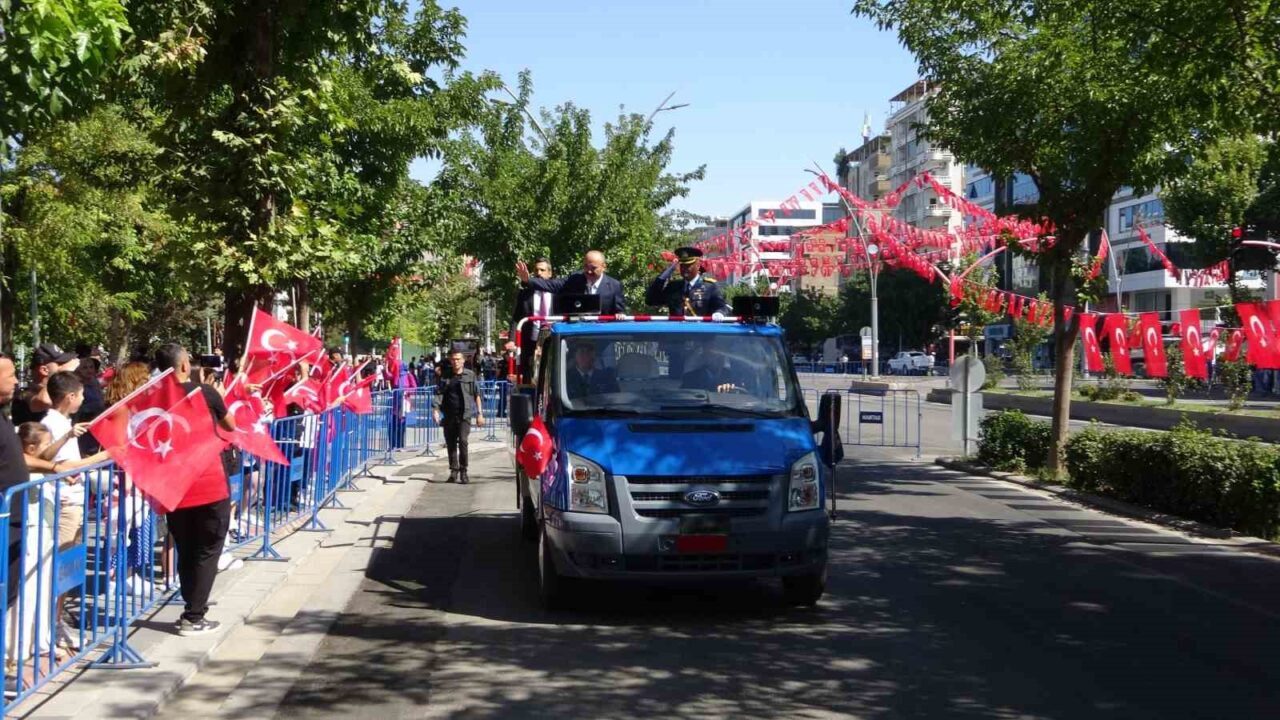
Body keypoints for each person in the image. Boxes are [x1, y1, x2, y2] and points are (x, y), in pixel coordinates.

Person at [153, 343, 237, 636]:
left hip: (173, 487)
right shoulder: (205, 393)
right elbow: (231, 424)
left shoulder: (151, 398)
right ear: (185, 366)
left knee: (187, 548)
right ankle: (193, 615)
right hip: (208, 483)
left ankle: (192, 605)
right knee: (208, 548)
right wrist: (220, 397)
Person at [515, 250, 626, 315]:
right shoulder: (574, 280)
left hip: (602, 338)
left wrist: (619, 315)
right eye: (586, 266)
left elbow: (619, 313)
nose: (589, 271)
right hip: (578, 337)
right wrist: (527, 280)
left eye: (593, 268)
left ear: (604, 267)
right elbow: (551, 285)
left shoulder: (614, 286)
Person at [431, 350, 483, 484]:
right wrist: (435, 410)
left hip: (464, 414)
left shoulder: (470, 375)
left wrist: (480, 414)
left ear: (463, 360)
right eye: (453, 359)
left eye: (458, 359)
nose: (456, 362)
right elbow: (439, 394)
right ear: (450, 360)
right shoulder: (445, 376)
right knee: (451, 444)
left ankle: (463, 470)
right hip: (449, 414)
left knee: (463, 441)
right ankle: (453, 471)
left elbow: (477, 395)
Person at [645, 247, 729, 317]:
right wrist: (665, 274)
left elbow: (722, 307)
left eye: (688, 265)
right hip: (678, 334)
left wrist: (719, 313)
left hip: (701, 333)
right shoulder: (673, 287)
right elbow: (651, 300)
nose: (684, 269)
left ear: (698, 265)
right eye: (682, 265)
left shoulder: (710, 286)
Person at [510, 257, 555, 383]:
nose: (539, 273)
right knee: (529, 376)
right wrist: (512, 340)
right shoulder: (525, 293)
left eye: (542, 270)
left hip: (552, 340)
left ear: (550, 273)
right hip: (530, 341)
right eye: (536, 270)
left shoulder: (557, 293)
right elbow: (516, 317)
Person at [11, 344, 80, 425]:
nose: (66, 366)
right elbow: (44, 402)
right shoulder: (25, 392)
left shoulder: (57, 389)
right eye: (61, 364)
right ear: (44, 370)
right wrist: (60, 373)